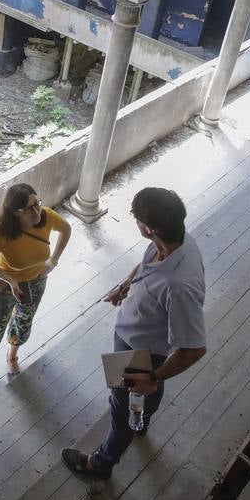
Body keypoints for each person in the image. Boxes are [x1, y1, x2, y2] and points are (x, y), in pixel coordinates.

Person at [61, 186, 206, 477]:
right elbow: (144, 266)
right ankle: (143, 418)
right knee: (138, 403)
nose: (136, 223)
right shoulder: (173, 241)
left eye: (137, 219)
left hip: (140, 356)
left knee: (121, 408)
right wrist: (124, 287)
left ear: (148, 228)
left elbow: (195, 348)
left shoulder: (179, 285)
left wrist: (151, 376)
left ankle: (99, 464)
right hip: (132, 339)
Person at [0, 183, 72, 394]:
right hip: (4, 284)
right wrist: (11, 281)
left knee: (24, 321)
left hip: (35, 280)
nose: (37, 211)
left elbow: (66, 229)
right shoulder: (1, 231)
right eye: (30, 208)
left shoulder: (47, 217)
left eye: (37, 203)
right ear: (16, 212)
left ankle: (12, 356)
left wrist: (53, 261)